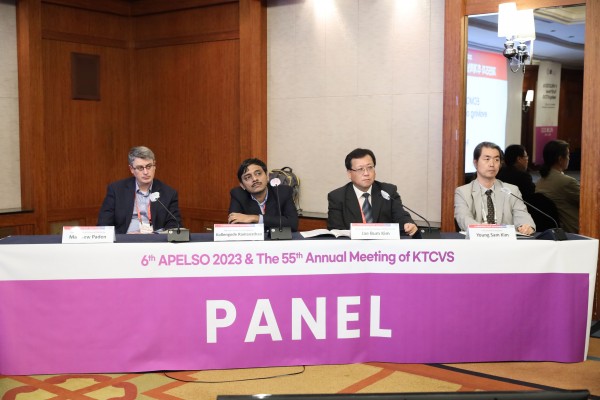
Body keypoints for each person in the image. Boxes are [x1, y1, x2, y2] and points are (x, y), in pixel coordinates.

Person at [327, 148, 419, 236]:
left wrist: (408, 224)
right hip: (352, 246)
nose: (366, 173)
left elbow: (401, 216)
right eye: (360, 169)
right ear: (349, 174)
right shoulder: (337, 197)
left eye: (370, 167)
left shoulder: (388, 191)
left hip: (384, 245)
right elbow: (336, 231)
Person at [454, 141, 535, 235]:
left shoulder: (511, 190)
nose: (492, 164)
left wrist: (526, 226)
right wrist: (483, 230)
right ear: (475, 163)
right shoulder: (463, 192)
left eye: (496, 160)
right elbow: (463, 218)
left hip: (505, 242)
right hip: (477, 241)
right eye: (487, 159)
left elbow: (522, 214)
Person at [97, 146, 181, 234]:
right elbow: (103, 224)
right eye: (140, 168)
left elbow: (175, 226)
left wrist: (155, 235)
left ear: (154, 165)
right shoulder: (116, 190)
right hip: (125, 240)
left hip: (154, 240)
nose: (145, 172)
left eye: (149, 166)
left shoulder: (169, 193)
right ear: (131, 169)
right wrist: (124, 237)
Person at [228, 158, 299, 232]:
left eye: (258, 173)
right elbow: (234, 225)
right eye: (248, 177)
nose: (254, 179)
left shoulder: (283, 192)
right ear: (242, 185)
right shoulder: (238, 194)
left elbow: (293, 224)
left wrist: (256, 218)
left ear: (267, 176)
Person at [535, 140, 580, 233]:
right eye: (568, 155)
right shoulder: (567, 182)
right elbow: (590, 203)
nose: (569, 158)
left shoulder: (539, 183)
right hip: (574, 231)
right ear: (560, 159)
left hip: (553, 232)